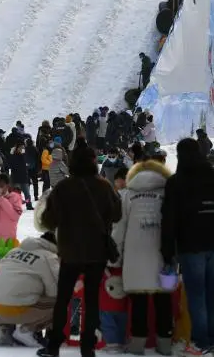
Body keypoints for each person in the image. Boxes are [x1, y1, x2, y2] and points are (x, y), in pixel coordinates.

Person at [37, 145, 122, 357]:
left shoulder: (64, 187)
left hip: (70, 251)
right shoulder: (104, 186)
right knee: (92, 300)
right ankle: (87, 347)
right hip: (97, 252)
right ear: (94, 162)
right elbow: (117, 214)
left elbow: (48, 219)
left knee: (63, 298)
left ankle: (54, 344)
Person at [161, 138, 214, 355]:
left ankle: (201, 341)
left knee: (197, 296)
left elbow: (169, 219)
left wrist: (167, 251)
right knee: (212, 294)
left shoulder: (176, 182)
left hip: (190, 246)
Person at [116, 159, 174, 355]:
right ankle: (165, 343)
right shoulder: (169, 194)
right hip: (164, 256)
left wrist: (114, 257)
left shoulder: (127, 195)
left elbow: (119, 229)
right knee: (164, 300)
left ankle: (137, 344)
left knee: (138, 301)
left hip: (134, 257)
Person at [0, 232, 59, 347]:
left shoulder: (13, 251)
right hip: (14, 309)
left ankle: (5, 330)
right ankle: (27, 331)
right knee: (59, 304)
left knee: (10, 294)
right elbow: (54, 291)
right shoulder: (48, 256)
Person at [0, 174, 23, 241]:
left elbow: (15, 216)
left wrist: (1, 199)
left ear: (8, 185)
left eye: (2, 186)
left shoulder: (15, 197)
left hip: (7, 241)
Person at [9, 142, 31, 208]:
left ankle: (29, 205)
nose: (22, 149)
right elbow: (13, 166)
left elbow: (26, 164)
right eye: (21, 148)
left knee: (27, 194)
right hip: (16, 178)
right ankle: (16, 206)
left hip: (24, 178)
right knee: (17, 194)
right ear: (17, 148)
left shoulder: (24, 155)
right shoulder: (14, 156)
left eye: (23, 148)